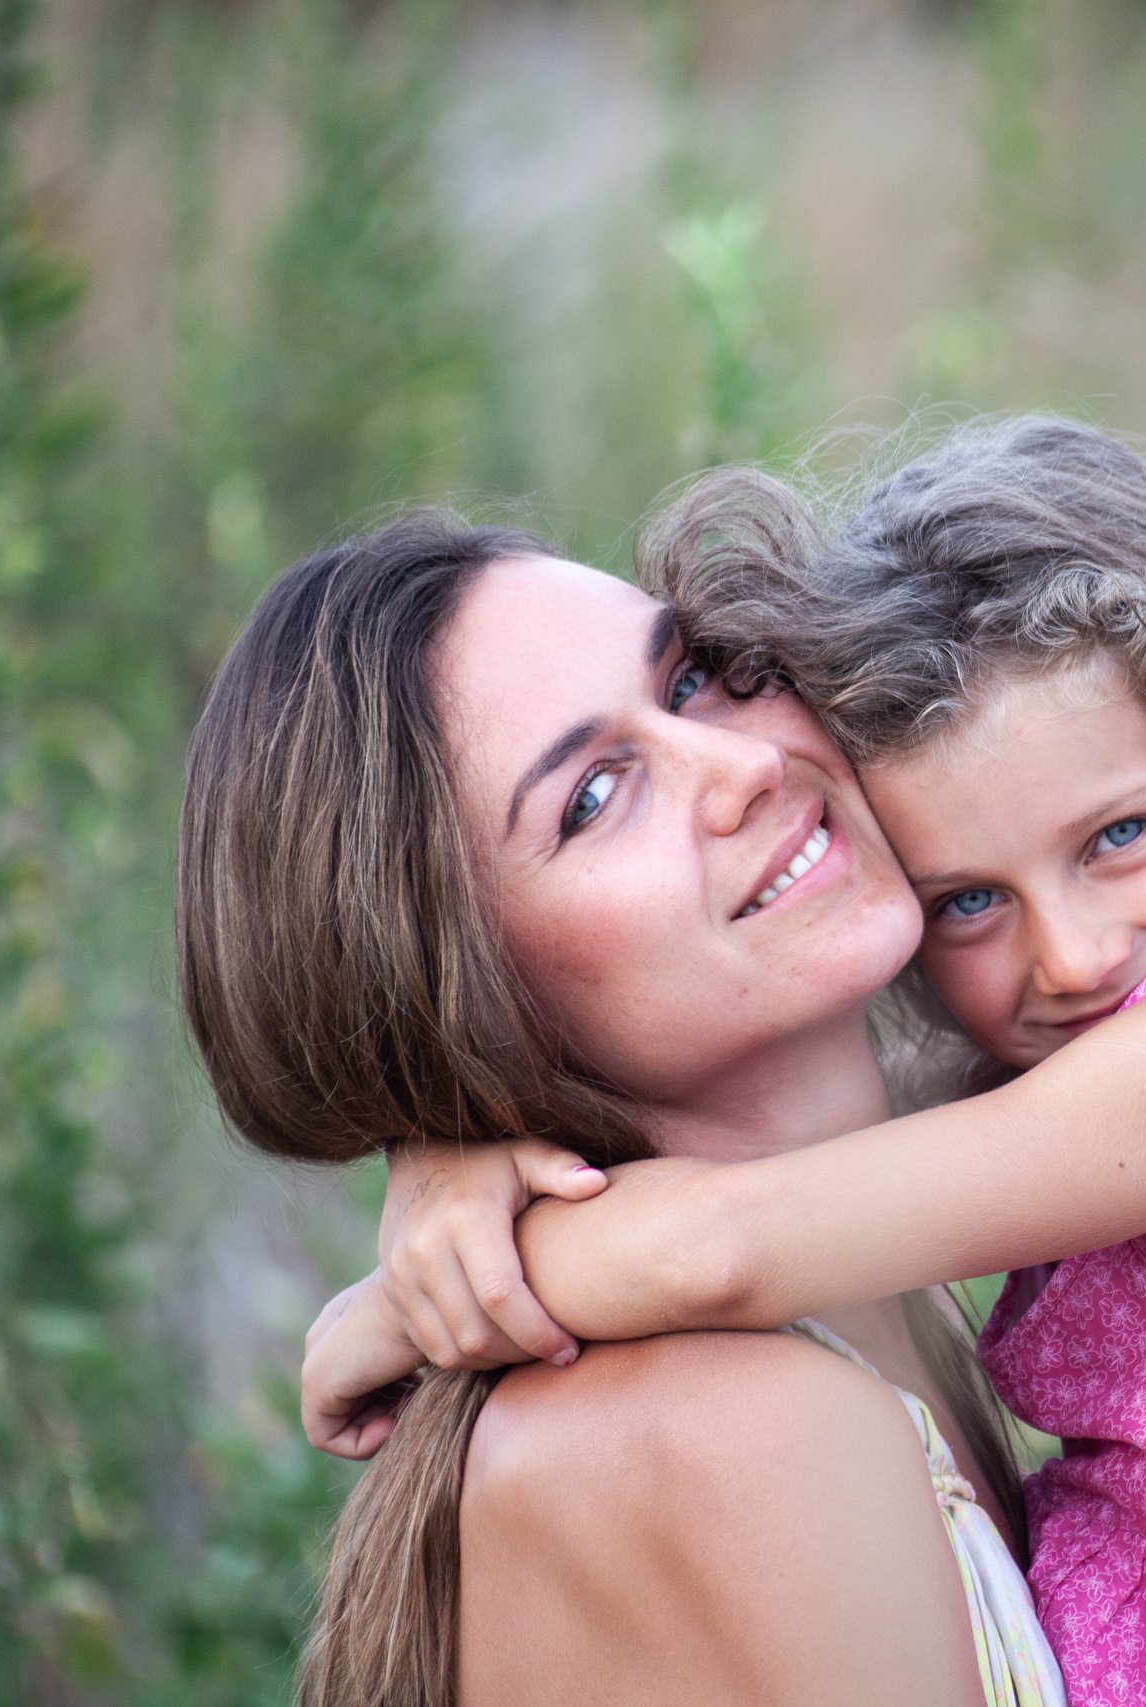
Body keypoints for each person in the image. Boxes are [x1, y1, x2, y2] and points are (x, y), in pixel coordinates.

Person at [309, 418, 1146, 1704]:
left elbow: (728, 1239)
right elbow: (817, 1163)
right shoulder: (1070, 1086)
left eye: (1118, 836)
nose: (1074, 954)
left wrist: (407, 1303)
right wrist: (445, 1145)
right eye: (968, 898)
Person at [175, 513, 1065, 1707]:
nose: (744, 767)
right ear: (462, 996)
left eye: (691, 680)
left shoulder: (887, 1292)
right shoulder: (737, 1431)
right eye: (594, 797)